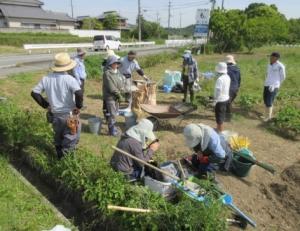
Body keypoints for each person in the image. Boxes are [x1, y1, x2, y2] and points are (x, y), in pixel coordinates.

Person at [31, 53, 83, 159]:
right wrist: (78, 106)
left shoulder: (46, 78)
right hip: (69, 116)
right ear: (67, 66)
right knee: (71, 140)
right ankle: (66, 163)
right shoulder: (69, 79)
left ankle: (59, 159)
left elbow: (34, 93)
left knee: (58, 139)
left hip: (55, 115)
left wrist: (46, 106)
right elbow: (79, 93)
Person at [102, 55, 125, 136]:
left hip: (117, 96)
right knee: (112, 114)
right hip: (110, 97)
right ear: (110, 64)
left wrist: (122, 89)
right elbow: (111, 87)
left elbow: (121, 82)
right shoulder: (107, 74)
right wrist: (119, 95)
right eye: (115, 63)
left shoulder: (117, 72)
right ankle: (112, 131)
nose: (116, 64)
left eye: (117, 63)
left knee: (115, 113)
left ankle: (113, 128)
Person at [262, 52, 286, 121]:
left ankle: (268, 117)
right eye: (270, 57)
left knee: (269, 101)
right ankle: (265, 115)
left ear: (276, 58)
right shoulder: (269, 64)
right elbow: (267, 73)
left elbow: (283, 77)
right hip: (267, 84)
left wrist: (276, 84)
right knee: (265, 99)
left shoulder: (280, 66)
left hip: (274, 86)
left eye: (272, 57)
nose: (270, 58)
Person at [214, 62, 231, 132]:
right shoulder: (228, 77)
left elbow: (218, 90)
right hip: (226, 98)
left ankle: (220, 132)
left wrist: (215, 100)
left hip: (220, 100)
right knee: (222, 115)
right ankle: (219, 128)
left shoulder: (220, 79)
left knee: (219, 117)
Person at [225, 55, 241, 121]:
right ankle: (227, 115)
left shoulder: (227, 69)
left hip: (229, 88)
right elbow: (239, 79)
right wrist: (238, 87)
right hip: (236, 87)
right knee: (229, 102)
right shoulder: (237, 68)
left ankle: (228, 117)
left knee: (227, 102)